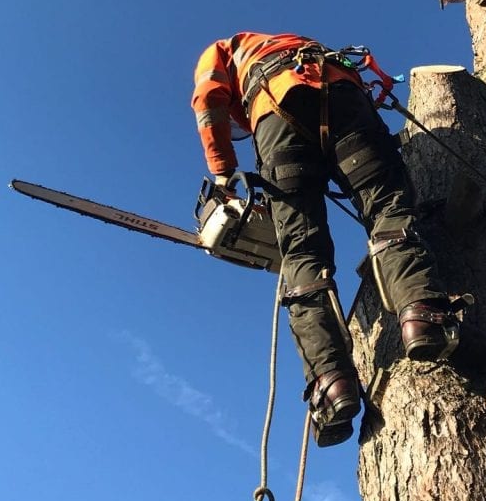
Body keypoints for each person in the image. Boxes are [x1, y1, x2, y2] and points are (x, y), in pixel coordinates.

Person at [191, 32, 455, 446]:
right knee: (385, 207)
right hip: (343, 99)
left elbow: (208, 100)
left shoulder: (222, 50)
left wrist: (223, 171)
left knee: (301, 252)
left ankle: (331, 385)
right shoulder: (294, 44)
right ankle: (422, 314)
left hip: (276, 119)